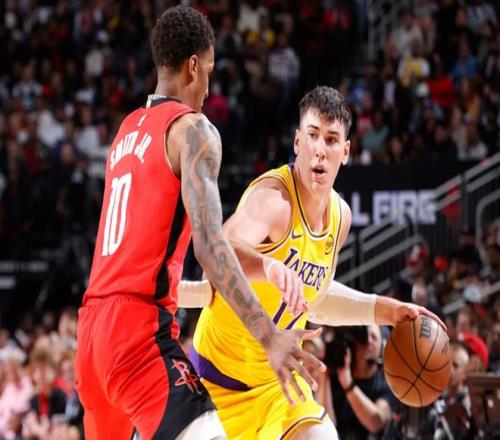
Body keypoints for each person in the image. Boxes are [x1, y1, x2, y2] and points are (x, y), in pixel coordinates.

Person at [74, 6, 323, 440]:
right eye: (208, 71)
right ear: (193, 66)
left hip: (91, 333)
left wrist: (265, 265)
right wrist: (268, 336)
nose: (208, 89)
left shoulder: (125, 132)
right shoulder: (192, 131)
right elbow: (210, 249)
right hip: (137, 332)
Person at [185, 86, 445, 439]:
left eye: (331, 139)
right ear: (297, 142)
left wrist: (387, 310)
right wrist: (267, 266)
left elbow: (314, 299)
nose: (320, 149)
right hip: (214, 383)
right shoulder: (273, 200)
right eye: (312, 135)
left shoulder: (340, 218)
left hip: (277, 387)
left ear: (346, 151)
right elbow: (214, 256)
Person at [329, 325, 395, 439]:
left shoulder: (388, 381)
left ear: (382, 344)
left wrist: (348, 384)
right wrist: (324, 377)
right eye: (363, 336)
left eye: (374, 337)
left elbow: (376, 422)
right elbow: (327, 423)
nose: (368, 341)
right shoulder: (337, 373)